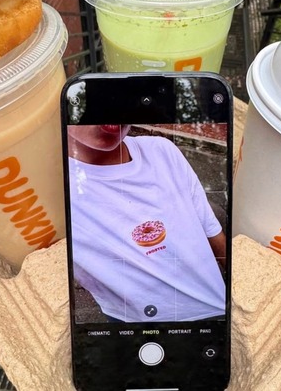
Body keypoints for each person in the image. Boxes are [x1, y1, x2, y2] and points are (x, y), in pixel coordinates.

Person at [67, 124, 226, 323]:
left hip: (215, 311)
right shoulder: (48, 189)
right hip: (131, 323)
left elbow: (211, 229)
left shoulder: (162, 151)